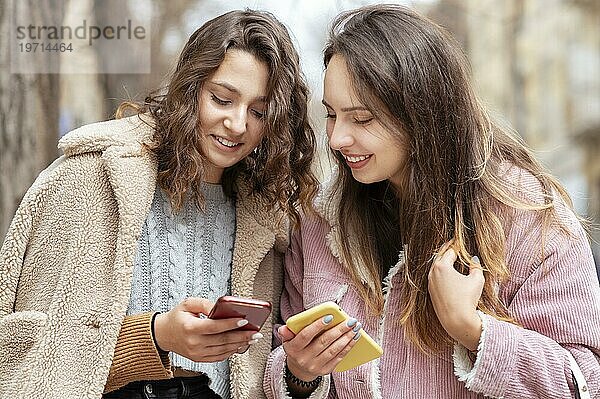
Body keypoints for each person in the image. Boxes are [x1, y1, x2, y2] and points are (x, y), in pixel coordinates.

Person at [264, 4, 600, 399]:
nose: (337, 139)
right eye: (332, 115)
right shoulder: (319, 219)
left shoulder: (528, 216)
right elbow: (283, 356)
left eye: (362, 119)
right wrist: (299, 374)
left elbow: (585, 383)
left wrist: (471, 329)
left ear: (420, 115)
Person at [0, 9, 318, 399]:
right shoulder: (92, 176)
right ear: (190, 87)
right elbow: (25, 355)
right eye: (222, 99)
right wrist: (156, 336)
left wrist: (302, 374)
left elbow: (266, 377)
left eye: (258, 111)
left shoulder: (267, 218)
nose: (237, 124)